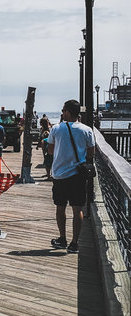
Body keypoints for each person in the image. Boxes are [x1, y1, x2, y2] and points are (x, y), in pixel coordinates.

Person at [46, 99, 96, 253]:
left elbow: (50, 151)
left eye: (63, 111)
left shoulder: (56, 129)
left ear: (67, 112)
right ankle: (74, 243)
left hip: (60, 175)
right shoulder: (87, 130)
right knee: (77, 209)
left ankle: (62, 239)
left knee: (60, 208)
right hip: (78, 175)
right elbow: (91, 153)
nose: (62, 113)